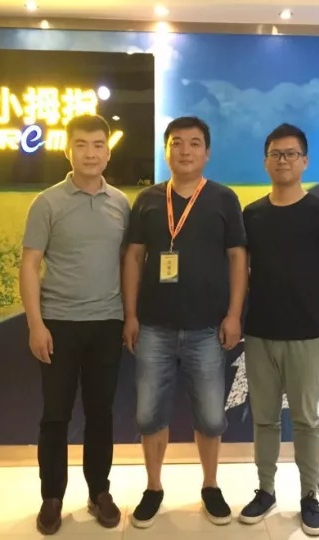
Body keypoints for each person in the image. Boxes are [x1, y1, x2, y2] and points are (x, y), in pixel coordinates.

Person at [122, 116, 248, 528]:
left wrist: (234, 314)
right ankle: (153, 487)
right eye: (177, 143)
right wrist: (130, 315)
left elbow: (237, 258)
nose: (185, 150)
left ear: (207, 153)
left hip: (207, 329)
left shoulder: (224, 199)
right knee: (149, 416)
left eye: (195, 143)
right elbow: (133, 257)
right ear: (166, 151)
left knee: (210, 417)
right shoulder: (148, 200)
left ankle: (210, 485)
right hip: (153, 327)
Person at [239, 123, 319, 536]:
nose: (283, 160)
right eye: (276, 154)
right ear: (266, 161)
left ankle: (309, 496)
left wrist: (315, 301)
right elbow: (241, 270)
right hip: (259, 333)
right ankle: (265, 490)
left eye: (291, 154)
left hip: (305, 335)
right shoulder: (251, 214)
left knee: (306, 420)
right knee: (264, 419)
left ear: (304, 161)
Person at [19, 114, 131, 535]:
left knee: (101, 413)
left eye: (98, 144)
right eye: (81, 144)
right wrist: (36, 324)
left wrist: (129, 316)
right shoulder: (47, 203)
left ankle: (99, 491)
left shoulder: (120, 203)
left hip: (107, 324)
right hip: (59, 325)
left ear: (108, 152)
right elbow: (29, 265)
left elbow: (128, 265)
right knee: (55, 415)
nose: (90, 153)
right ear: (68, 151)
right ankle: (52, 496)